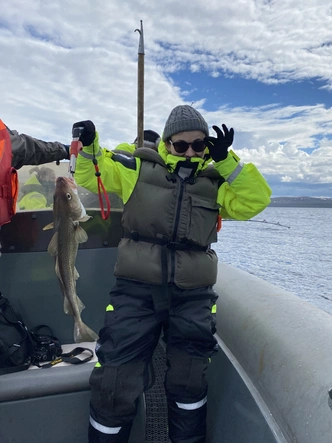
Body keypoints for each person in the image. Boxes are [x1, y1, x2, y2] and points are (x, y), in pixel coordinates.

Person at [73, 105, 272, 443]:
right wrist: (90, 146)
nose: (190, 152)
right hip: (136, 292)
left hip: (193, 295)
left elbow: (256, 201)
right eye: (182, 145)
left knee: (189, 381)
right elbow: (91, 175)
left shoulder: (215, 182)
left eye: (200, 145)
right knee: (115, 380)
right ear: (166, 144)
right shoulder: (137, 168)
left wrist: (227, 161)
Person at [0, 120, 69, 226]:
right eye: (50, 178)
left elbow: (20, 148)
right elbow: (42, 219)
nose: (53, 181)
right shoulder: (33, 195)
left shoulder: (43, 193)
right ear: (41, 177)